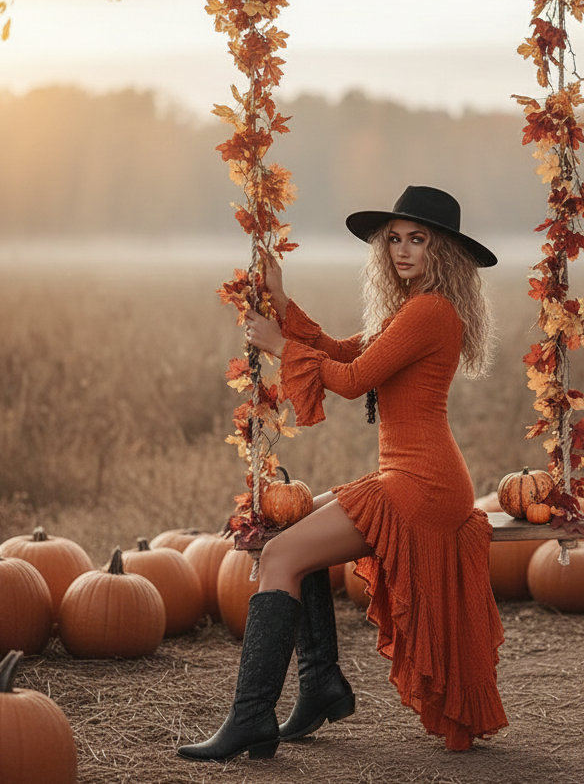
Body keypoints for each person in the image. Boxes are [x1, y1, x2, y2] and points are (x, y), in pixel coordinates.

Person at [177, 185, 508, 762]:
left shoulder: (431, 312)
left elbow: (351, 381)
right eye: (394, 240)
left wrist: (281, 346)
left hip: (424, 486)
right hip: (407, 477)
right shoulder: (411, 309)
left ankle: (251, 717)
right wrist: (282, 302)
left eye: (417, 240)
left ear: (445, 251)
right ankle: (321, 684)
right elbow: (340, 351)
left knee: (279, 556)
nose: (401, 251)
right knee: (293, 532)